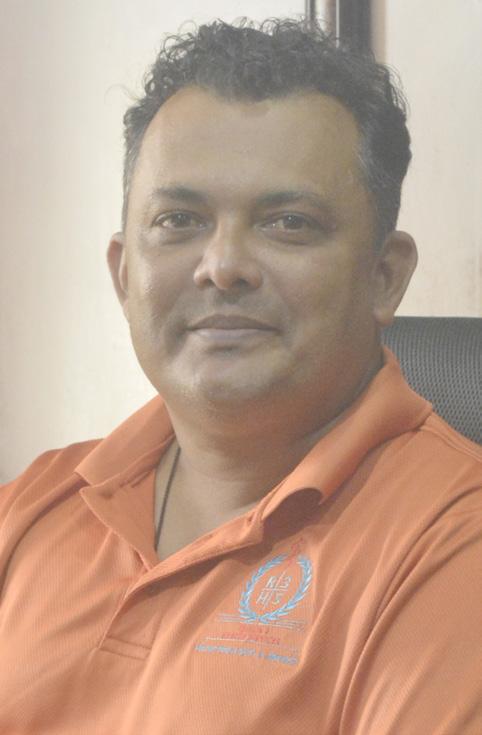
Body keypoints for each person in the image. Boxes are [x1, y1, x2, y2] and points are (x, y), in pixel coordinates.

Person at [1, 18, 481, 735]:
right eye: (179, 219)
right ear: (124, 273)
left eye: (288, 223)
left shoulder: (453, 544)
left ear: (384, 277)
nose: (222, 266)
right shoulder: (34, 507)